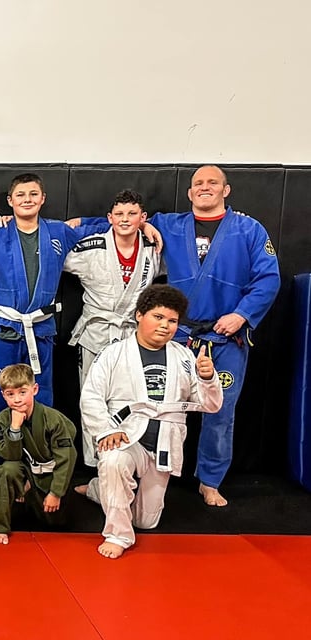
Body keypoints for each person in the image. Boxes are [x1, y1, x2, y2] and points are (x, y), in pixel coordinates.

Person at [72, 166, 280, 505]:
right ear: (189, 192)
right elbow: (124, 222)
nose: (205, 187)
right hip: (177, 335)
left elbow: (268, 278)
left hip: (224, 336)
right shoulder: (170, 224)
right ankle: (138, 475)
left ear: (226, 190)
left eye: (213, 182)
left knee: (220, 411)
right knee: (151, 405)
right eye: (198, 183)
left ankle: (210, 480)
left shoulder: (249, 229)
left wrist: (242, 315)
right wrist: (79, 223)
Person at [0, 174, 138, 405]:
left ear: (43, 198)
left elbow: (107, 225)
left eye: (33, 194)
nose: (27, 199)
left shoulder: (58, 231)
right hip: (5, 328)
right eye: (20, 195)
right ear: (10, 200)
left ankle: (38, 430)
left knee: (40, 393)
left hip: (40, 329)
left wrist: (142, 225)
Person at [76, 285, 223, 559]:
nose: (165, 326)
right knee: (113, 461)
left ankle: (99, 489)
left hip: (164, 443)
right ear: (139, 315)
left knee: (146, 521)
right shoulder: (114, 353)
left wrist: (207, 378)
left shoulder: (184, 357)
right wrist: (106, 430)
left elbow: (211, 405)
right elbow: (91, 397)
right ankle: (117, 534)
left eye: (172, 321)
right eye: (158, 317)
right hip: (126, 437)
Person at [62, 190, 161, 465]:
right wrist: (85, 222)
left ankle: (125, 461)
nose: (125, 219)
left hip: (131, 335)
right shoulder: (90, 247)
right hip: (96, 333)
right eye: (119, 214)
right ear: (109, 218)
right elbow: (52, 256)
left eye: (132, 214)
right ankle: (96, 465)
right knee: (92, 399)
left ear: (143, 217)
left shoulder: (154, 247)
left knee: (129, 400)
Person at [0, 363, 77, 544]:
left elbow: (67, 458)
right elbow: (10, 456)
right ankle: (0, 526)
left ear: (35, 389)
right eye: (10, 394)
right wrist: (14, 428)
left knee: (55, 522)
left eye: (22, 392)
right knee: (7, 469)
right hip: (25, 469)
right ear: (3, 395)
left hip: (50, 473)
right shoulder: (3, 419)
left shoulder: (52, 419)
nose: (17, 399)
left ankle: (37, 495)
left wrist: (55, 493)